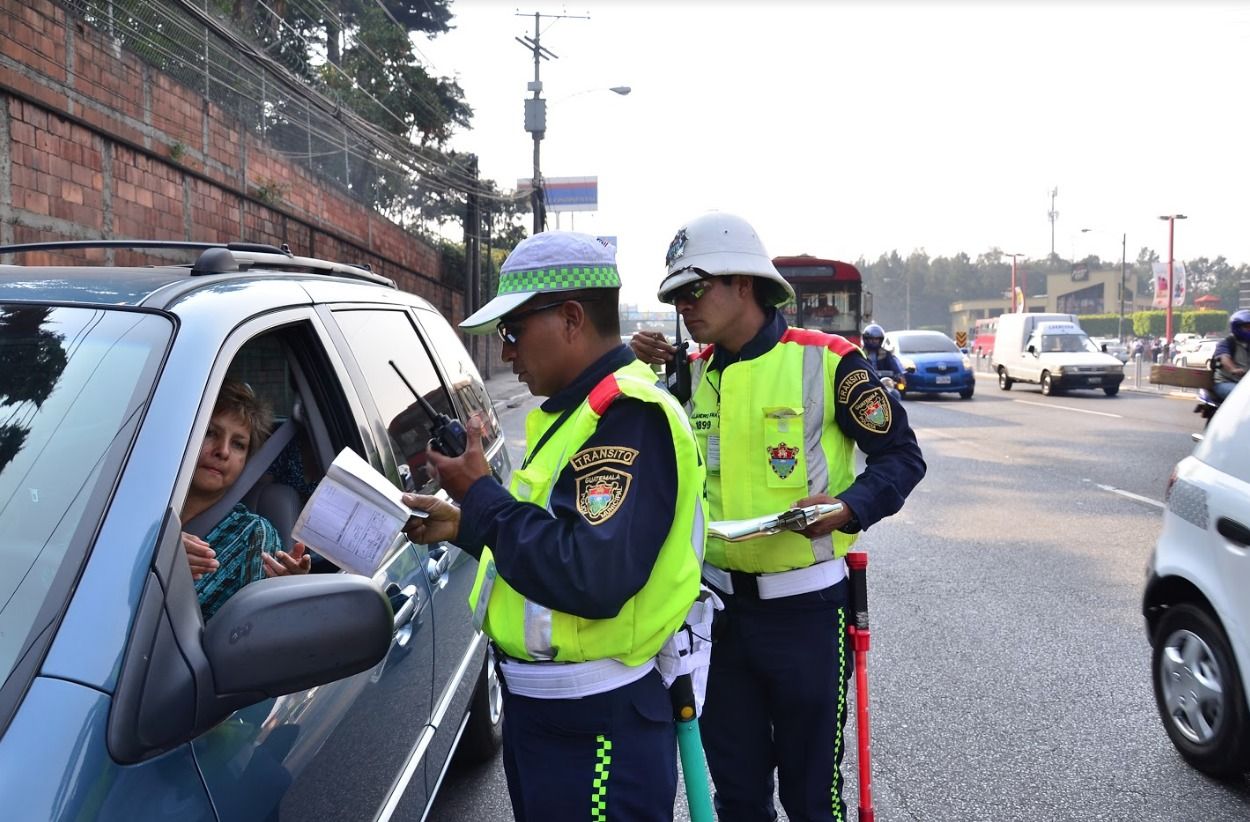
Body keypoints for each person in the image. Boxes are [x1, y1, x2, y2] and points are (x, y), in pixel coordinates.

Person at [632, 212, 926, 822]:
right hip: (715, 615)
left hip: (807, 614)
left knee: (812, 794)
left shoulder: (831, 362)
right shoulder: (688, 375)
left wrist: (848, 508)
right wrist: (643, 372)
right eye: (677, 294)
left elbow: (901, 457)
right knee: (736, 798)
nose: (683, 305)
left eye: (694, 289)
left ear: (744, 284)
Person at [402, 231, 705, 821]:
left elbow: (592, 574)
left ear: (571, 318)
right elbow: (554, 534)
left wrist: (481, 495)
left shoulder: (628, 417)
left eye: (513, 331)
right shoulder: (577, 414)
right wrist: (465, 523)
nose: (507, 351)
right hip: (553, 717)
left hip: (596, 726)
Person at [181, 378, 310, 620]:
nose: (223, 451)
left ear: (246, 461)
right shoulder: (133, 511)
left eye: (239, 444)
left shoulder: (253, 534)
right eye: (210, 433)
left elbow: (258, 635)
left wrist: (289, 600)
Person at [1212, 309, 1250, 402]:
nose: (1249, 329)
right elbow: (1224, 358)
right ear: (1237, 327)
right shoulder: (1227, 343)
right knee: (1244, 397)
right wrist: (1233, 369)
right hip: (1226, 382)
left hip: (1246, 384)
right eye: (1247, 327)